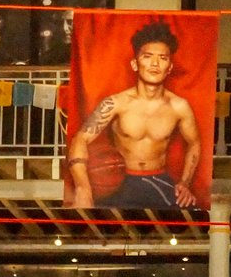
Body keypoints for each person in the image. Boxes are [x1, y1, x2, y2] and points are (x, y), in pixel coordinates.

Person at [67, 21, 202, 208]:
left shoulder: (179, 107)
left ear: (170, 67)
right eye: (147, 56)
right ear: (135, 64)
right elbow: (80, 139)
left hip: (157, 180)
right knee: (91, 218)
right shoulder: (116, 103)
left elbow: (194, 143)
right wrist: (83, 188)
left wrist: (185, 183)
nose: (155, 64)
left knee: (192, 213)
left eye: (163, 58)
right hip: (120, 182)